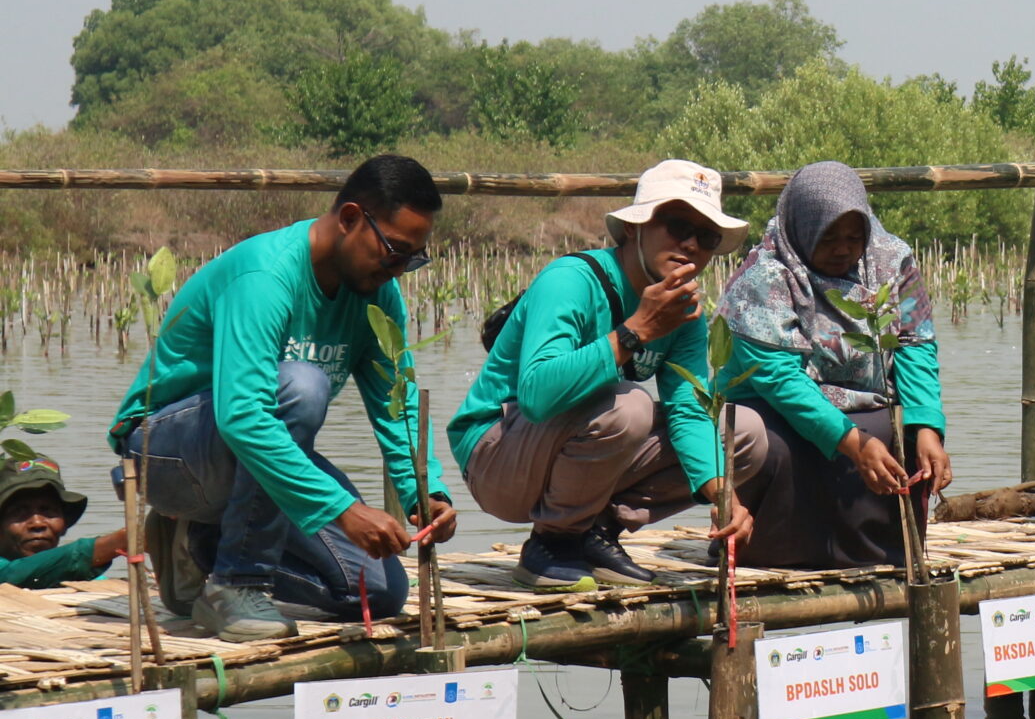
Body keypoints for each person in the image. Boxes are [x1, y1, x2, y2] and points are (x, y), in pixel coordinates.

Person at [111, 155, 456, 641]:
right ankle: (237, 582)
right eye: (394, 251)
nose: (399, 270)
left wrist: (426, 493)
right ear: (351, 218)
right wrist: (342, 509)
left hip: (250, 464)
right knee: (301, 385)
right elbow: (244, 417)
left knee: (378, 592)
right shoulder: (265, 278)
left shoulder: (377, 296)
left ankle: (200, 548)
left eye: (412, 258)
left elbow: (395, 407)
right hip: (162, 455)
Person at [449, 160, 763, 592]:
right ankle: (552, 544)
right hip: (496, 454)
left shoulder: (686, 313)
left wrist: (723, 495)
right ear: (635, 228)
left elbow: (688, 410)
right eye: (676, 226)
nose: (690, 245)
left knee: (743, 433)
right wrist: (635, 332)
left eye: (706, 237)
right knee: (628, 406)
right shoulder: (571, 281)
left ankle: (595, 531)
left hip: (569, 444)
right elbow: (538, 395)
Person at [714, 162, 950, 571]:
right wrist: (852, 442)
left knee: (903, 438)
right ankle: (767, 553)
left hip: (866, 399)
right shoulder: (763, 277)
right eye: (828, 238)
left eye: (853, 238)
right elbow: (779, 377)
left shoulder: (893, 261)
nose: (843, 249)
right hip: (776, 405)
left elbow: (914, 342)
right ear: (803, 231)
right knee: (774, 444)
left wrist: (928, 427)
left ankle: (886, 557)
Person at [0, 458, 125, 590]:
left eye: (48, 511)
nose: (37, 523)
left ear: (65, 523)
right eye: (19, 512)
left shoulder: (92, 582)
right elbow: (13, 575)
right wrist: (118, 542)